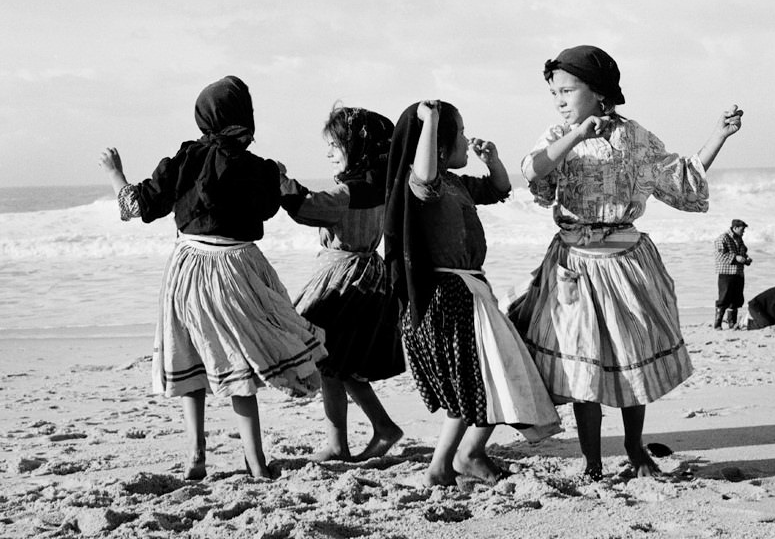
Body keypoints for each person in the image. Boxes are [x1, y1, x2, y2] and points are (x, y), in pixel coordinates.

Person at [509, 45, 742, 481]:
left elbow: (683, 177)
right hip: (573, 264)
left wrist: (719, 135)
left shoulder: (634, 137)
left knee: (632, 361)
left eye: (567, 90)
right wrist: (575, 135)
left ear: (599, 92)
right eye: (553, 92)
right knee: (583, 370)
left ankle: (635, 452)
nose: (559, 100)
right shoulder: (558, 135)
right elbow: (532, 171)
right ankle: (593, 463)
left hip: (626, 263)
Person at [98, 76, 326, 481]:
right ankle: (256, 462)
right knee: (239, 365)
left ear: (204, 117)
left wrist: (116, 174)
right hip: (239, 268)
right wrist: (276, 176)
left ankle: (196, 457)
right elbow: (271, 207)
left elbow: (140, 206)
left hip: (189, 268)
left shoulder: (184, 159)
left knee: (191, 360)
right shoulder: (259, 168)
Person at [383, 100, 561, 487]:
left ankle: (457, 459)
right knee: (477, 380)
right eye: (461, 133)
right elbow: (424, 175)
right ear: (440, 145)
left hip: (472, 290)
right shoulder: (423, 183)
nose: (467, 138)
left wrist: (493, 160)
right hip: (450, 296)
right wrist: (430, 120)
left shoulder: (456, 183)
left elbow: (499, 189)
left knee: (487, 377)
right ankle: (446, 464)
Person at [279, 106, 404, 462]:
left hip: (342, 281)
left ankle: (339, 443)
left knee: (327, 360)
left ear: (357, 148)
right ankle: (382, 427)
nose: (329, 152)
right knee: (342, 364)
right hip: (371, 279)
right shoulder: (381, 188)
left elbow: (309, 208)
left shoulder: (347, 191)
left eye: (335, 145)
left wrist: (281, 184)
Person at [714, 220, 751, 329]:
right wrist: (735, 257)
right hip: (726, 273)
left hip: (738, 272)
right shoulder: (723, 238)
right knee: (724, 298)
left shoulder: (739, 239)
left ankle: (732, 322)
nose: (743, 232)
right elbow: (719, 256)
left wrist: (745, 259)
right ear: (735, 228)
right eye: (742, 229)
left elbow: (743, 253)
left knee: (737, 298)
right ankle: (718, 324)